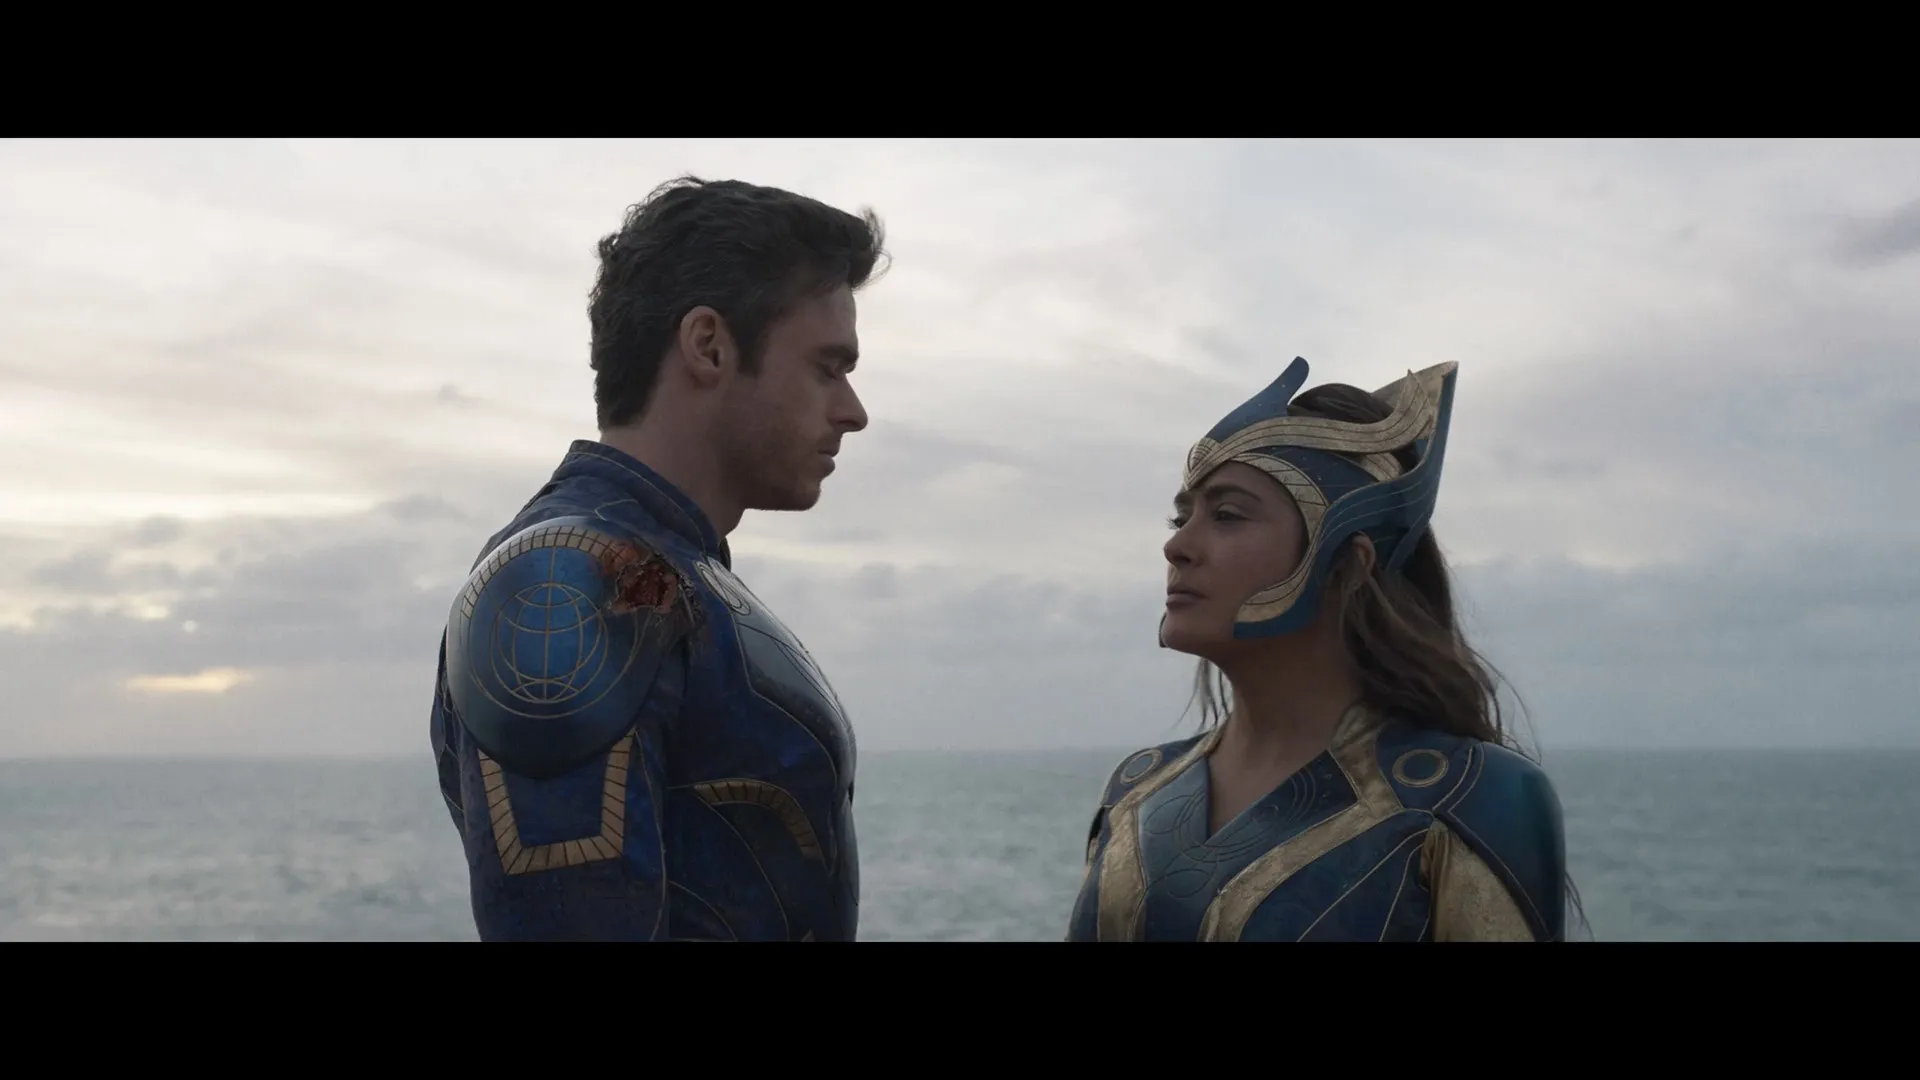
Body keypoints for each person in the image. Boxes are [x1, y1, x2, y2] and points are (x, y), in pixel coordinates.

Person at [427, 176, 887, 941]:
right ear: (709, 345)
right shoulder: (570, 578)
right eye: (827, 367)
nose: (853, 411)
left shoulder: (666, 570)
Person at [1067, 356, 1578, 941]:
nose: (1177, 546)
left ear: (1350, 565)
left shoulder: (1468, 798)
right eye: (1180, 518)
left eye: (1227, 515)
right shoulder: (1137, 793)